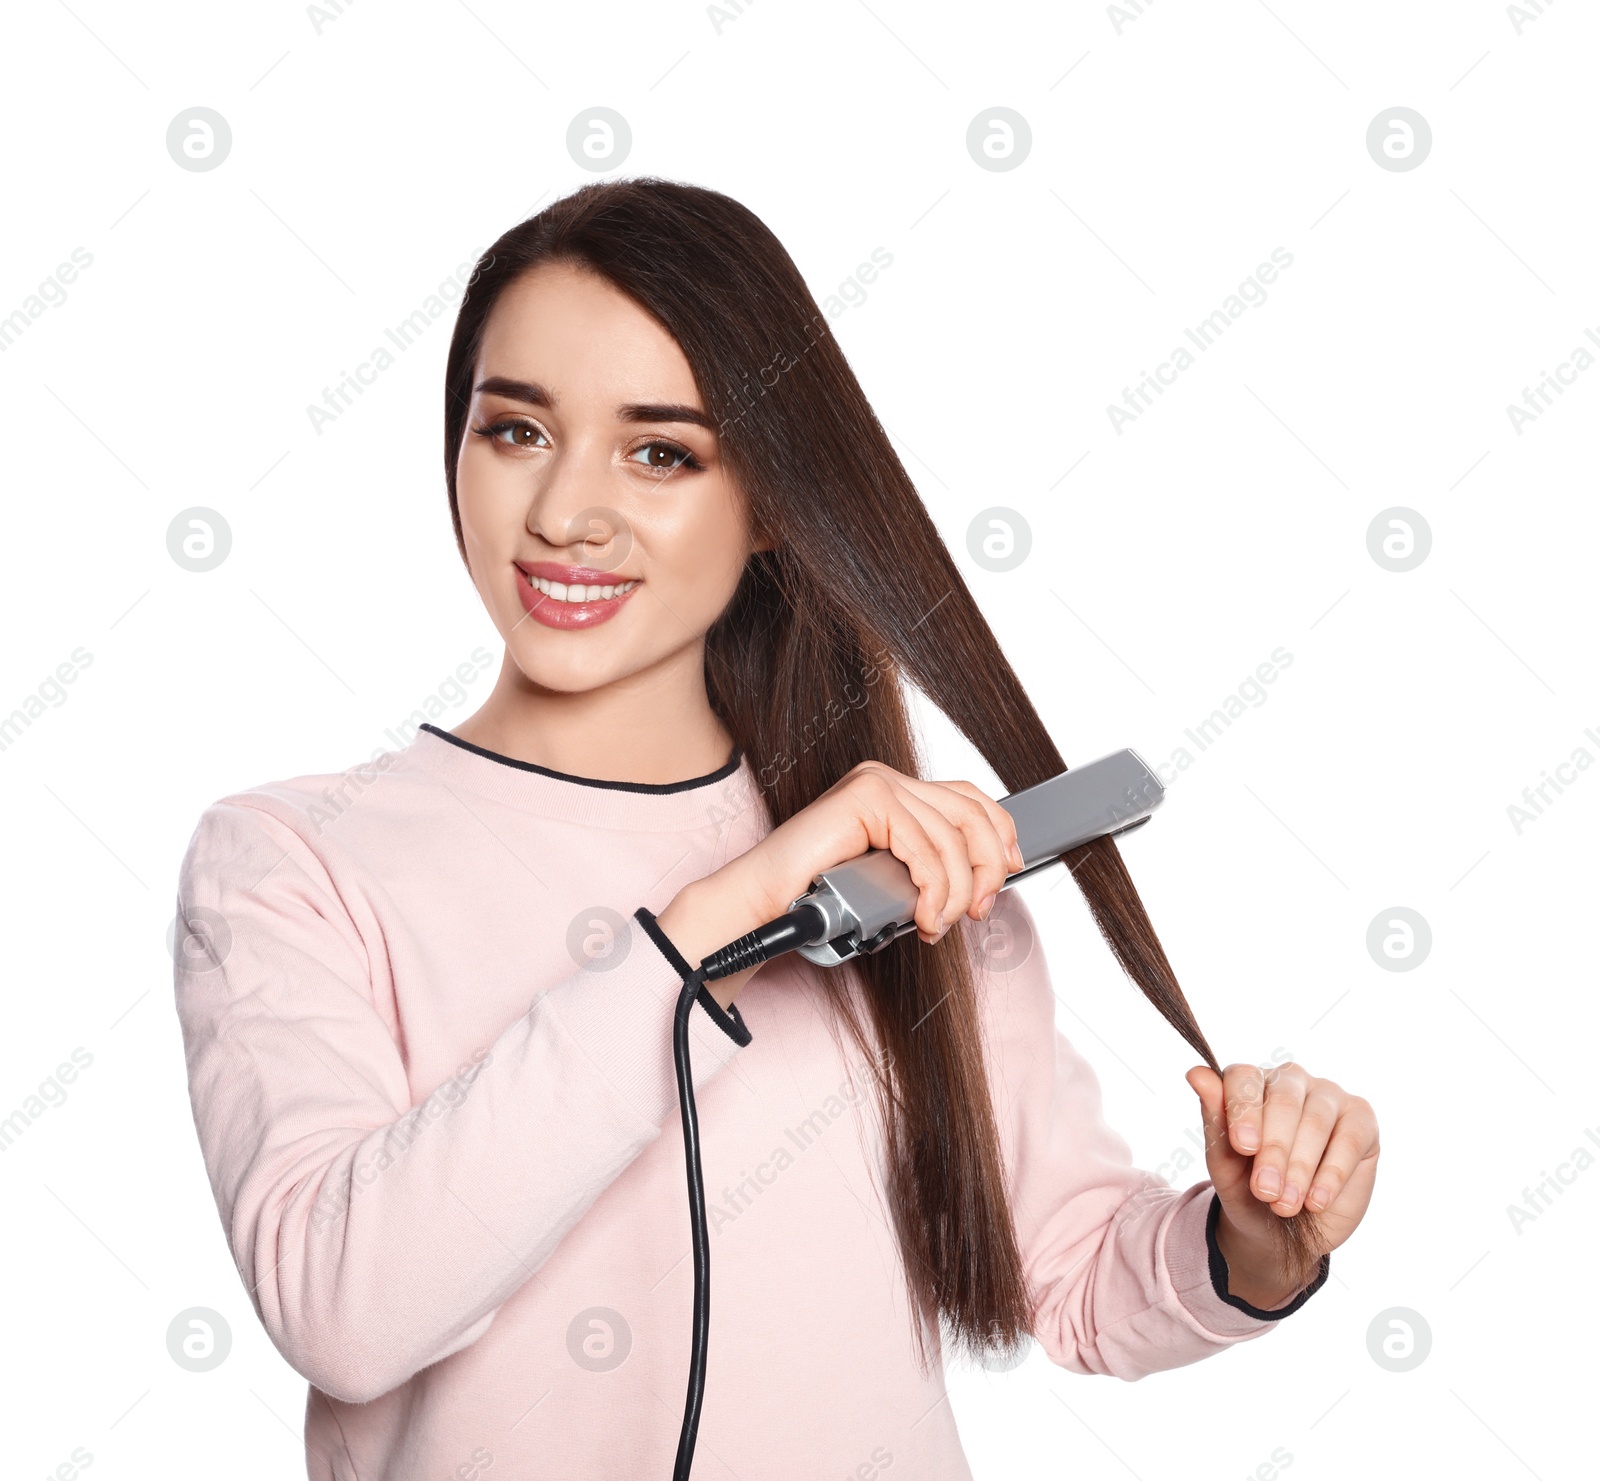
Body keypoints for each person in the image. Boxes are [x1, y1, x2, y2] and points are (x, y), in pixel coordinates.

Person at [172, 178, 1378, 1480]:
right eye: (516, 430)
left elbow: (1075, 1270)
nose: (566, 511)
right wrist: (712, 925)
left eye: (661, 451)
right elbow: (346, 1308)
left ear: (767, 502)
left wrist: (1250, 1244)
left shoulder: (903, 871)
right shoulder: (295, 860)